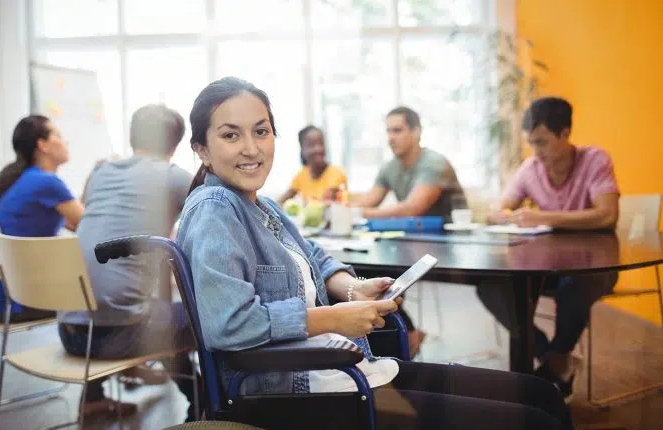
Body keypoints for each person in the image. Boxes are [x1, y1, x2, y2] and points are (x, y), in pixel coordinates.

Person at [176, 76, 573, 430]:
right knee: (537, 417)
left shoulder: (261, 206)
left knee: (544, 395)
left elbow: (316, 257)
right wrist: (334, 318)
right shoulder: (215, 208)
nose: (251, 148)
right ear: (202, 149)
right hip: (297, 393)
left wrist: (352, 288)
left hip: (345, 373)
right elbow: (228, 325)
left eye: (261, 131)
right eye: (231, 136)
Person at [57, 104, 199, 420]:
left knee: (141, 307)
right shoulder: (174, 177)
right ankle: (203, 404)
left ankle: (92, 395)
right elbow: (214, 224)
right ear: (175, 145)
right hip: (113, 337)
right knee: (204, 313)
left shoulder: (101, 173)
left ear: (133, 137)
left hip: (69, 331)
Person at [477, 96, 619, 402]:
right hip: (547, 266)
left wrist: (544, 217)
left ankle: (554, 360)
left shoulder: (595, 160)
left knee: (576, 284)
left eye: (541, 142)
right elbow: (498, 209)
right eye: (531, 143)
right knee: (490, 286)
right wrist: (502, 213)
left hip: (596, 267)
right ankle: (555, 357)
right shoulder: (531, 168)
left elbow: (607, 214)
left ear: (565, 133)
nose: (536, 152)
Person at [352, 106, 466, 353]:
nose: (391, 137)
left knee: (375, 272)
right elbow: (366, 202)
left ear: (417, 132)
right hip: (411, 247)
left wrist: (363, 212)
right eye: (388, 131)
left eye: (398, 130)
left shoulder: (434, 163)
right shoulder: (390, 167)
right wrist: (340, 208)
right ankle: (408, 334)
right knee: (363, 271)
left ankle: (408, 337)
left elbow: (412, 208)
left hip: (451, 249)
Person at [0, 115, 84, 323]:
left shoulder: (22, 179)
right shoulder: (46, 182)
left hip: (3, 302)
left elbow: (73, 223)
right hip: (25, 302)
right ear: (42, 145)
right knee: (103, 294)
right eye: (58, 135)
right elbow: (91, 223)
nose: (65, 141)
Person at [276, 125, 347, 204]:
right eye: (311, 145)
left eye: (321, 143)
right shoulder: (302, 175)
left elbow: (326, 204)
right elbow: (281, 201)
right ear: (302, 149)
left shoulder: (336, 173)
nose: (318, 149)